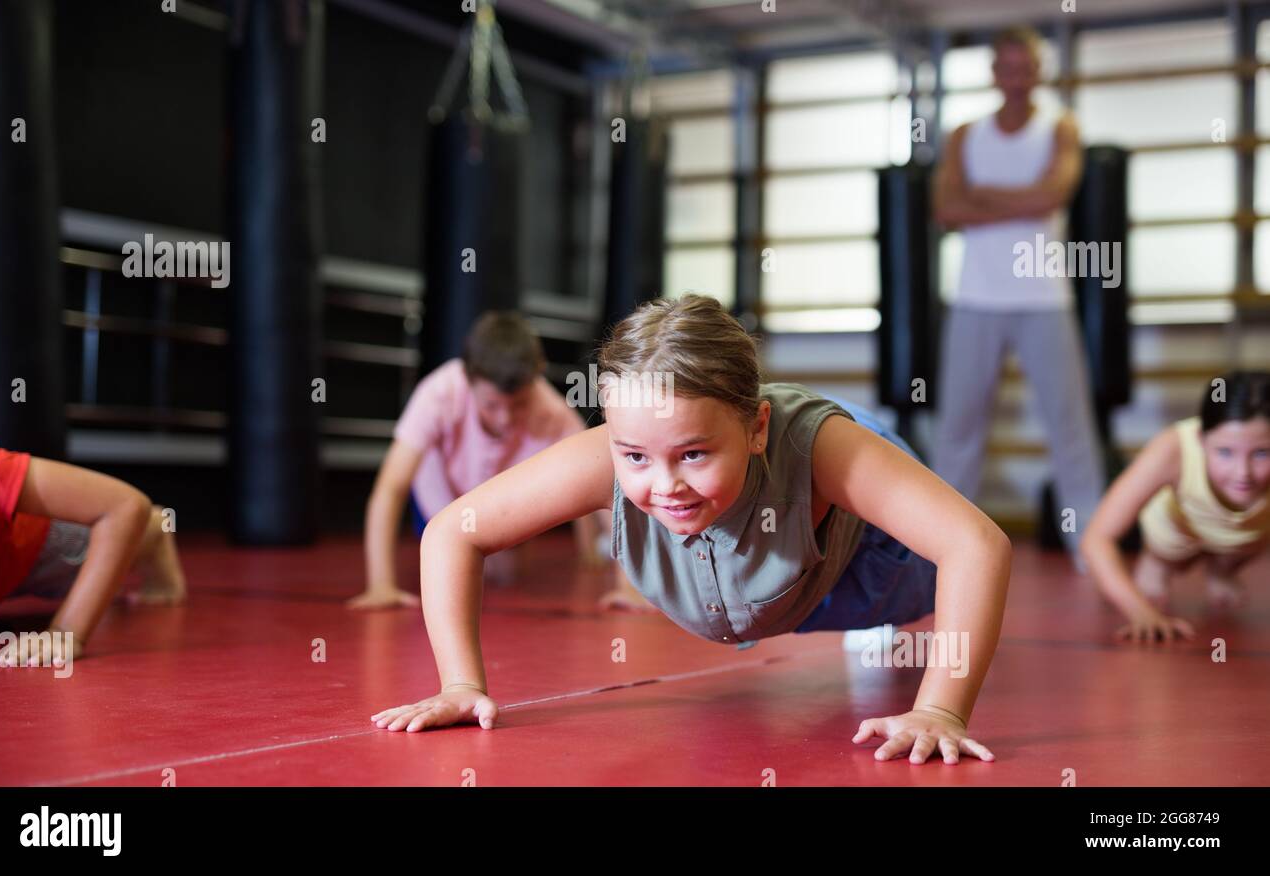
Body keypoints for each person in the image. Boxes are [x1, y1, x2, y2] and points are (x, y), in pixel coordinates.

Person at [370, 295, 1012, 765]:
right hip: (773, 579)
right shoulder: (609, 456)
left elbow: (975, 544)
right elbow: (455, 530)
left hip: (870, 559)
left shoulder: (815, 446)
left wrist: (940, 708)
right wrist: (461, 683)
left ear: (756, 429)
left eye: (693, 454)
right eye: (636, 457)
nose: (664, 484)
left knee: (921, 536)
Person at [932, 24, 1104, 564]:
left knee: (1070, 429)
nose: (1016, 76)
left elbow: (1054, 194)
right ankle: (942, 548)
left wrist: (982, 199)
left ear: (1037, 70)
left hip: (1043, 299)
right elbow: (945, 211)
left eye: (1024, 66)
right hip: (975, 301)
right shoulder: (966, 135)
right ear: (993, 74)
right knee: (957, 432)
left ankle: (1092, 549)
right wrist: (1022, 201)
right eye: (1006, 66)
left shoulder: (1060, 127)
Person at [348, 311, 607, 610]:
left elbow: (595, 477)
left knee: (502, 573)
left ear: (537, 376)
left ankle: (497, 547)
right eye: (491, 405)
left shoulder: (552, 411)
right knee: (452, 562)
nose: (504, 418)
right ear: (467, 379)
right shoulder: (439, 393)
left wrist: (593, 554)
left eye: (519, 404)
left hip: (497, 501)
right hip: (441, 498)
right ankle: (450, 542)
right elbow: (391, 488)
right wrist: (381, 584)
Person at [1081, 371, 1270, 643]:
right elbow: (1096, 538)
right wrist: (1141, 612)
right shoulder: (1172, 448)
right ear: (1201, 441)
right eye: (1225, 452)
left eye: (1261, 453)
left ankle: (1223, 569)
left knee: (1247, 532)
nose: (1243, 473)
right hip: (1173, 532)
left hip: (1243, 536)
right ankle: (1157, 563)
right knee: (1151, 588)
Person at [0, 431, 186, 667]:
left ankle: (153, 529)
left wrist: (64, 632)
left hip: (26, 547)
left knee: (110, 538)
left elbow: (125, 506)